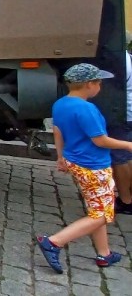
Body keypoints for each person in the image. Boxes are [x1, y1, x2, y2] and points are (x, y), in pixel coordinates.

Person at [37, 63, 132, 273]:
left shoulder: (60, 104)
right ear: (89, 84)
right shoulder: (87, 109)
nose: (101, 86)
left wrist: (61, 157)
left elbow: (58, 130)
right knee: (101, 214)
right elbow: (100, 140)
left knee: (96, 207)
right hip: (94, 166)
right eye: (99, 82)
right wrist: (127, 145)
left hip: (76, 163)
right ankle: (53, 242)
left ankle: (104, 254)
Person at [108, 40, 132, 214]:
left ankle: (125, 200)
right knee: (126, 155)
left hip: (122, 112)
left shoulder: (116, 58)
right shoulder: (125, 56)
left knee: (119, 158)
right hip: (128, 111)